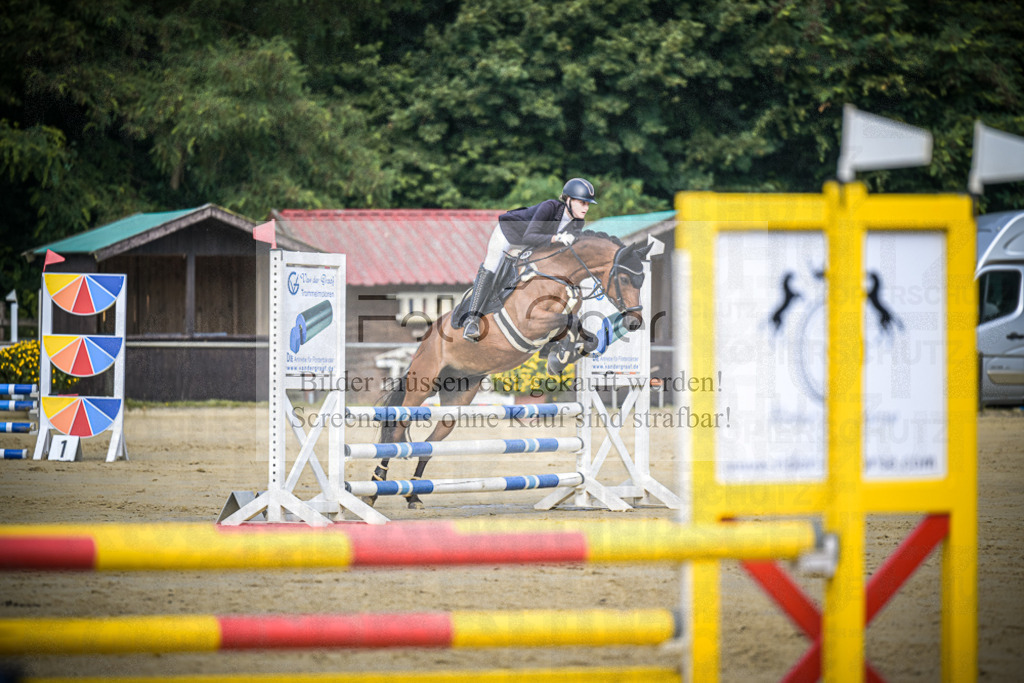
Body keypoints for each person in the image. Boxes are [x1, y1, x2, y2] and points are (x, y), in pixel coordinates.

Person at [462, 177, 597, 342]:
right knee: (491, 267)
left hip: (534, 246)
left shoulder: (578, 223)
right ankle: (472, 320)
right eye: (582, 203)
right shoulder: (550, 207)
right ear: (568, 200)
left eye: (588, 204)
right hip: (509, 234)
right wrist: (557, 238)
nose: (586, 208)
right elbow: (529, 236)